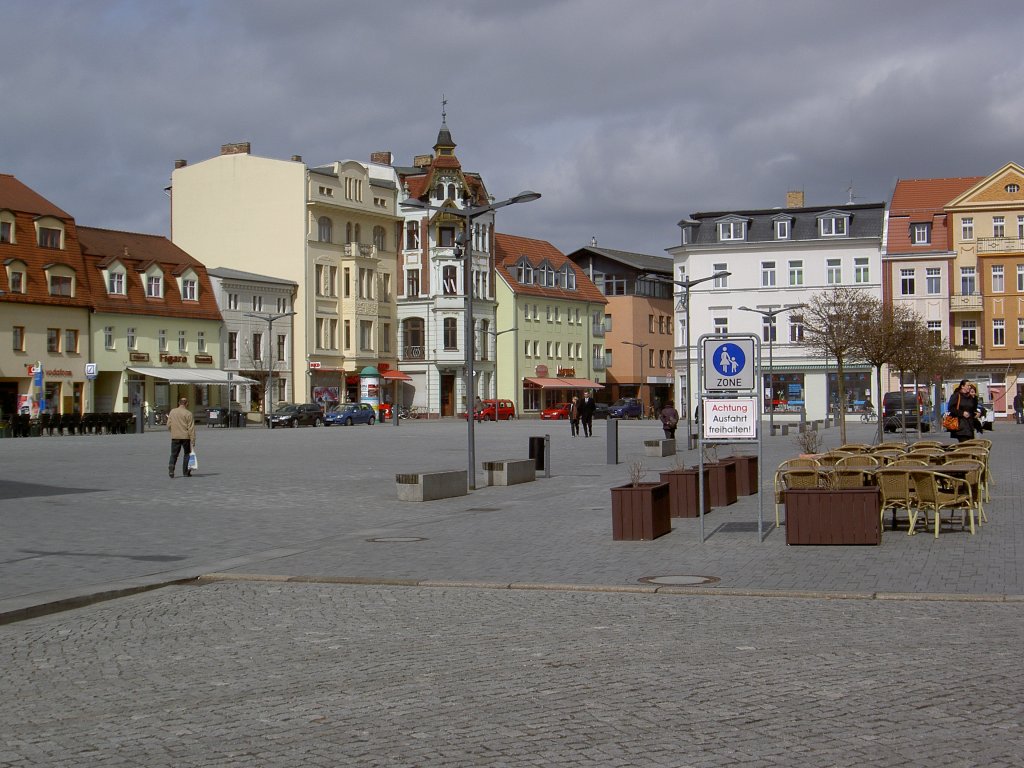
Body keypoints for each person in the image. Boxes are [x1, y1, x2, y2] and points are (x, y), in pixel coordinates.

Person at [167, 397, 197, 478]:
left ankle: (171, 467)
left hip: (175, 436)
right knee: (187, 454)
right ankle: (185, 472)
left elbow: (168, 424)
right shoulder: (188, 413)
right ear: (186, 403)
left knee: (174, 454)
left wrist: (172, 431)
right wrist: (193, 440)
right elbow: (191, 428)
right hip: (185, 437)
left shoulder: (173, 411)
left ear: (179, 403)